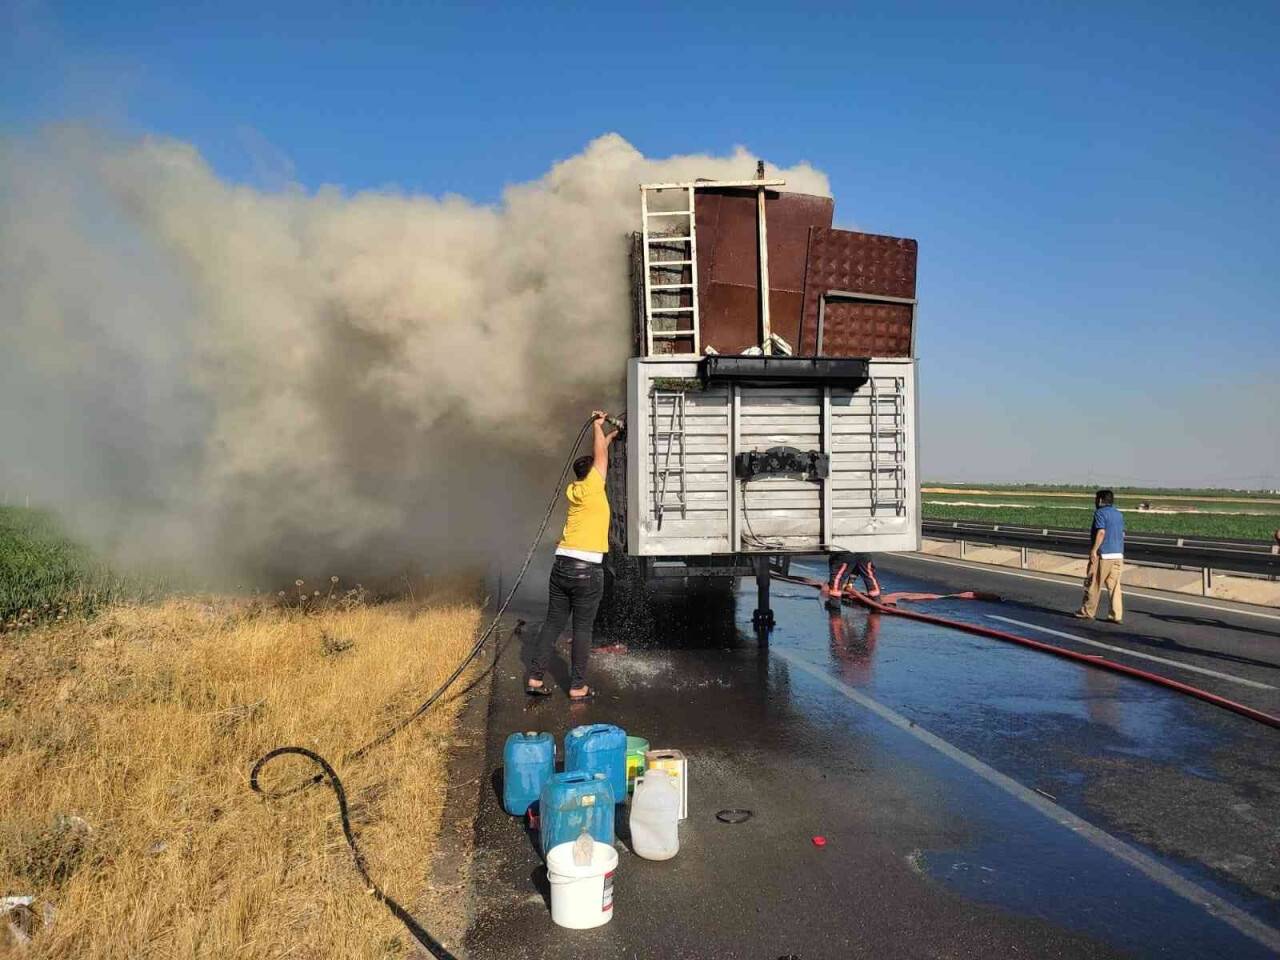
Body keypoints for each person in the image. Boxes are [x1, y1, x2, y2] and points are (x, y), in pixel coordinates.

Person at [526, 411, 620, 701]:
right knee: (582, 629)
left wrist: (611, 435)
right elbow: (600, 457)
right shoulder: (594, 487)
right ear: (592, 474)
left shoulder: (576, 489)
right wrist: (597, 425)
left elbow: (599, 454)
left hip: (562, 566)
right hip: (587, 570)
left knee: (553, 623)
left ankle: (535, 678)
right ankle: (578, 686)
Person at [1075, 488, 1125, 623]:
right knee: (1115, 587)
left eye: (1096, 499)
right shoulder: (1119, 514)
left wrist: (1094, 550)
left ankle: (1087, 611)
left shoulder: (1100, 513)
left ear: (1101, 500)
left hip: (1103, 554)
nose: (1095, 501)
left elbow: (1101, 532)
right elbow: (1122, 533)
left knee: (1093, 583)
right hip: (1118, 554)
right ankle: (1116, 615)